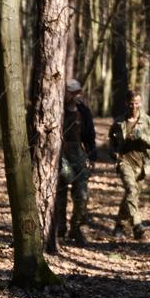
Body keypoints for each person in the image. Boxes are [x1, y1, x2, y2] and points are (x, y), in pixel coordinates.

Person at [108, 89, 150, 240]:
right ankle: (138, 225)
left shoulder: (149, 122)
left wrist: (142, 137)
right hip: (125, 162)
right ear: (126, 103)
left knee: (131, 196)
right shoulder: (119, 122)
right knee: (131, 190)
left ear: (140, 102)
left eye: (137, 103)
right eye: (131, 104)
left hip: (142, 165)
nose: (134, 106)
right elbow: (111, 143)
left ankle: (119, 227)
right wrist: (114, 154)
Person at [54, 79, 97, 245]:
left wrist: (92, 157)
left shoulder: (83, 111)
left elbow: (89, 135)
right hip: (59, 156)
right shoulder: (56, 108)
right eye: (71, 92)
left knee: (81, 195)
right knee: (61, 194)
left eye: (76, 92)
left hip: (78, 156)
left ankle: (77, 228)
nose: (74, 96)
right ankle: (59, 229)